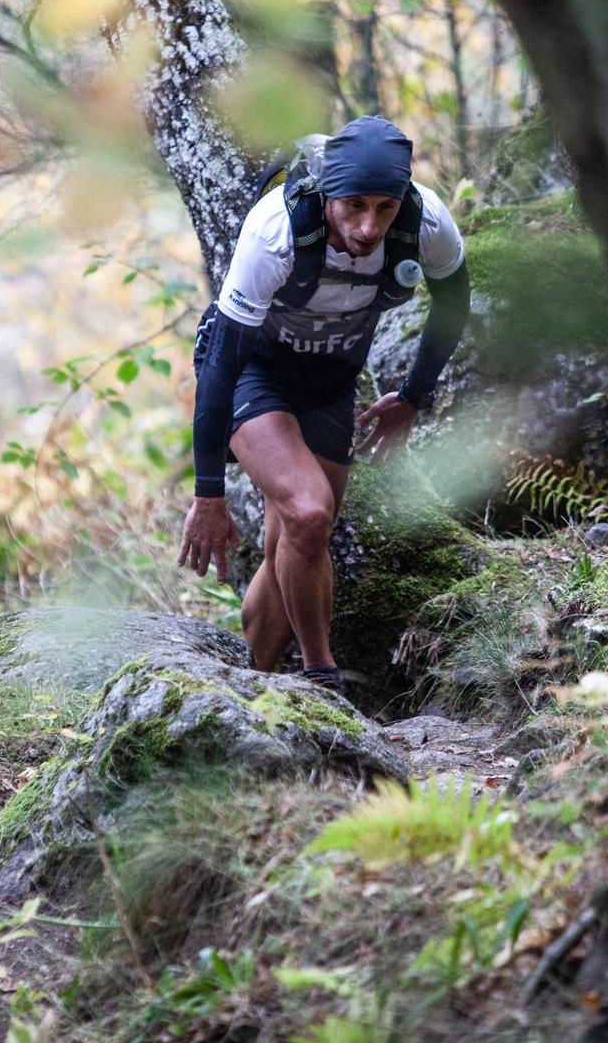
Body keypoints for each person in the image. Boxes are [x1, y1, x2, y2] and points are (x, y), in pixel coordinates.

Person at [177, 115, 471, 690]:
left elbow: (453, 304)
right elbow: (221, 363)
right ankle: (320, 674)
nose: (368, 226)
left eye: (384, 208)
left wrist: (414, 396)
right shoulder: (277, 230)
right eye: (353, 205)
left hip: (331, 380)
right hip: (251, 371)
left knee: (295, 537)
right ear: (329, 193)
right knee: (310, 512)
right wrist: (208, 493)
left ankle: (251, 682)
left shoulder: (426, 220)